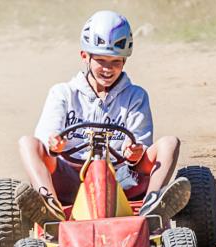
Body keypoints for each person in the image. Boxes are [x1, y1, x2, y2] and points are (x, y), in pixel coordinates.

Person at [15, 10, 190, 226]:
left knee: (170, 143)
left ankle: (152, 204)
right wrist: (54, 145)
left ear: (124, 61)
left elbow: (138, 150)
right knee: (27, 143)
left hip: (120, 180)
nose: (108, 69)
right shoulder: (63, 93)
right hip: (70, 180)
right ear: (84, 56)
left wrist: (134, 152)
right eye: (101, 60)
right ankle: (49, 205)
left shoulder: (136, 96)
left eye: (115, 61)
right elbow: (46, 142)